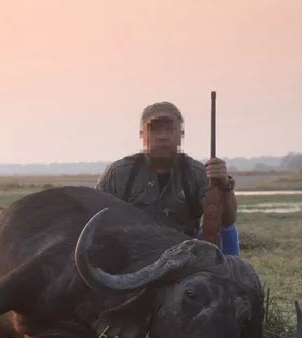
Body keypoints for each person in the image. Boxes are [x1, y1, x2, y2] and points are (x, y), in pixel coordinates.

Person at [96, 101, 240, 255]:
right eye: (154, 130)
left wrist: (224, 185)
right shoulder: (118, 173)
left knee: (227, 233)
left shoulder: (198, 173)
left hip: (184, 255)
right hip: (131, 255)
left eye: (169, 130)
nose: (162, 137)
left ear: (181, 134)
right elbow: (94, 220)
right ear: (142, 135)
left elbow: (227, 221)